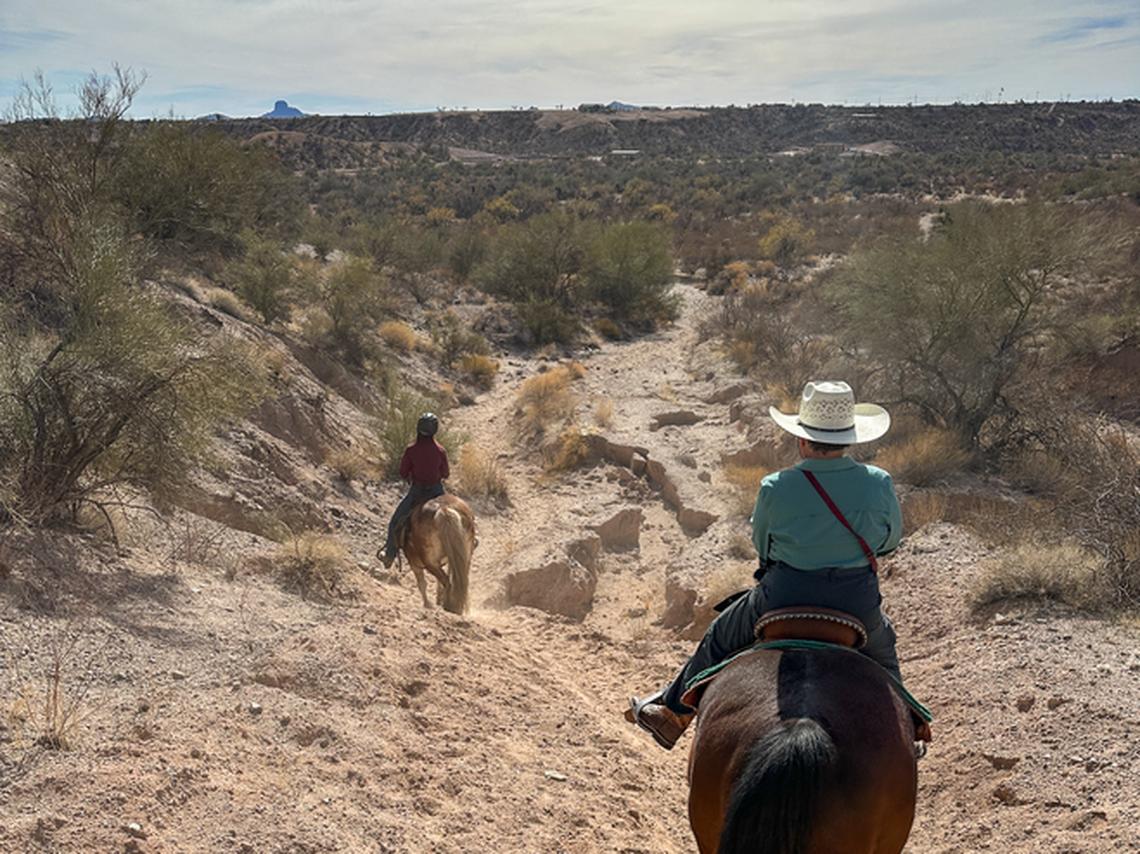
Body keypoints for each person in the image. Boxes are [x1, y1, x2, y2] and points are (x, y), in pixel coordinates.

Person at [628, 380, 913, 751]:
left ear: (802, 439)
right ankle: (912, 725)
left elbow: (762, 547)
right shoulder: (878, 483)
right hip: (855, 602)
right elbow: (890, 542)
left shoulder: (775, 486)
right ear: (850, 439)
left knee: (720, 636)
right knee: (885, 652)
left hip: (782, 596)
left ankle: (672, 713)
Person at [379, 412, 450, 568]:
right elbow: (446, 473)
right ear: (435, 430)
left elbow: (403, 472)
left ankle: (389, 555)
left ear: (418, 429)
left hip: (417, 491)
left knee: (395, 521)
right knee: (452, 516)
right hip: (437, 491)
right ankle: (471, 540)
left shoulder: (411, 450)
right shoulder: (440, 450)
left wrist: (411, 475)